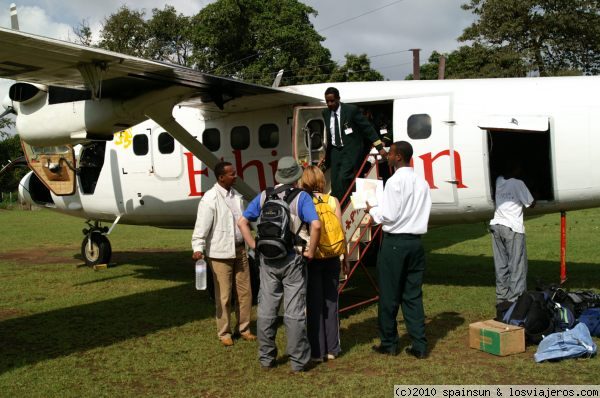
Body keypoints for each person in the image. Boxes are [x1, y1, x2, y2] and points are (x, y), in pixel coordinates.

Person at [238, 156, 321, 372]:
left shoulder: (265, 195)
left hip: (267, 259)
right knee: (294, 311)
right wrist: (311, 250)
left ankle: (266, 358)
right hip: (293, 258)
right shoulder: (301, 197)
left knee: (267, 308)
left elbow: (242, 222)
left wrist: (254, 246)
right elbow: (316, 225)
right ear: (296, 176)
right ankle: (299, 361)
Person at [366, 141, 432, 358]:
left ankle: (389, 342)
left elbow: (389, 216)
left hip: (395, 243)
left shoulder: (395, 182)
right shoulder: (422, 182)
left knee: (389, 295)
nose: (387, 156)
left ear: (399, 157)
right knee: (413, 295)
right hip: (415, 242)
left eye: (391, 153)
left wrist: (373, 209)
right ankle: (419, 345)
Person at [191, 161, 256, 347]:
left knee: (245, 293)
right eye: (231, 174)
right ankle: (224, 332)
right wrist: (198, 248)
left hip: (240, 250)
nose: (235, 176)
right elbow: (201, 227)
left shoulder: (236, 196)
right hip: (220, 254)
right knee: (224, 296)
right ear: (221, 177)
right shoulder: (210, 199)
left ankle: (243, 329)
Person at [300, 165, 349, 362]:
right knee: (331, 302)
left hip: (312, 258)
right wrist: (343, 256)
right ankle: (333, 349)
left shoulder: (304, 200)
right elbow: (340, 230)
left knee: (313, 304)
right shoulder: (332, 200)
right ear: (321, 180)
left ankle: (317, 351)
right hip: (332, 257)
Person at [321, 87, 387, 202]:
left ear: (338, 99)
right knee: (335, 182)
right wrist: (326, 158)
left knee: (344, 177)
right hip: (335, 151)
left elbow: (368, 129)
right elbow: (330, 135)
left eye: (332, 101)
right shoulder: (325, 113)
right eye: (327, 101)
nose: (330, 104)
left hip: (350, 150)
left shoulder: (351, 110)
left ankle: (346, 204)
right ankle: (337, 205)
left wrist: (379, 147)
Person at [489, 160, 535, 317]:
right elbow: (531, 203)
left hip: (496, 226)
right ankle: (517, 302)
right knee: (517, 265)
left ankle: (502, 300)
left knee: (501, 266)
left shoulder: (499, 181)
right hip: (512, 228)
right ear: (515, 169)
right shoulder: (518, 183)